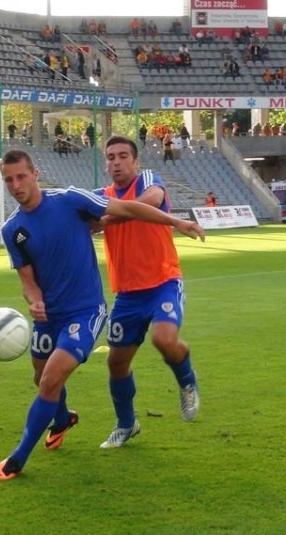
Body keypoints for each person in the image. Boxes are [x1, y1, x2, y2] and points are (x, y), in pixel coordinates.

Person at [0, 149, 204, 481]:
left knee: (50, 380)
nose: (16, 185)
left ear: (35, 174)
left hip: (85, 310)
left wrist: (176, 221)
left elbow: (128, 208)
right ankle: (63, 419)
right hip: (48, 317)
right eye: (8, 180)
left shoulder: (70, 200)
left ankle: (16, 460)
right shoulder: (12, 230)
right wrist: (35, 301)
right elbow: (27, 282)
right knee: (41, 378)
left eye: (21, 176)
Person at [95, 136, 205, 448]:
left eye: (122, 156)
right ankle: (126, 424)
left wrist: (108, 217)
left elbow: (153, 200)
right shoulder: (101, 196)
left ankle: (187, 381)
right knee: (116, 363)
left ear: (135, 161)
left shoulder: (146, 180)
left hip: (163, 282)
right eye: (111, 157)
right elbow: (87, 221)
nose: (116, 162)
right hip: (128, 293)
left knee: (164, 339)